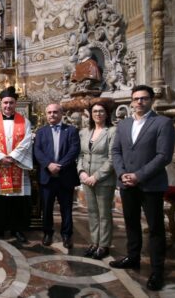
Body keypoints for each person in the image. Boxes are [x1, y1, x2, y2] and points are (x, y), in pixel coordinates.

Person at [110, 85, 175, 291]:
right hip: (127, 183)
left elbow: (164, 156)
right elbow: (115, 151)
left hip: (150, 185)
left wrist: (138, 176)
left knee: (155, 228)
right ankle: (133, 256)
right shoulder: (124, 124)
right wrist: (122, 174)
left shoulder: (163, 123)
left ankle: (157, 270)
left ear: (151, 100)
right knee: (130, 223)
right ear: (131, 101)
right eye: (136, 98)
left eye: (144, 98)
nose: (139, 102)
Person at [0, 87, 33, 243]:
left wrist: (12, 157)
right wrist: (0, 158)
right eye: (5, 102)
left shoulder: (25, 122)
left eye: (11, 103)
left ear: (15, 103)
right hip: (0, 166)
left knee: (17, 199)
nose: (8, 106)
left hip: (17, 165)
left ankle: (17, 228)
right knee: (0, 198)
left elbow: (26, 143)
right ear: (1, 103)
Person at [33, 103, 80, 249]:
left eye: (55, 112)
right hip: (47, 176)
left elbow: (74, 150)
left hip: (65, 175)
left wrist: (59, 165)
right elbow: (37, 151)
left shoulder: (71, 130)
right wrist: (49, 165)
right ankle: (48, 233)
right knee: (46, 207)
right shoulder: (41, 132)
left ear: (61, 114)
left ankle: (67, 235)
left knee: (66, 208)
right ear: (46, 115)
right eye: (49, 113)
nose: (52, 115)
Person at [77, 102, 116, 260]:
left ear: (106, 114)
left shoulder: (112, 131)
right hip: (87, 179)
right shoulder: (85, 132)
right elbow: (80, 155)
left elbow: (113, 159)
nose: (98, 114)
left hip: (104, 180)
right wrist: (81, 172)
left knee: (104, 214)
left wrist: (96, 176)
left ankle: (104, 245)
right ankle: (94, 242)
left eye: (101, 111)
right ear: (91, 114)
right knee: (92, 212)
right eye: (95, 111)